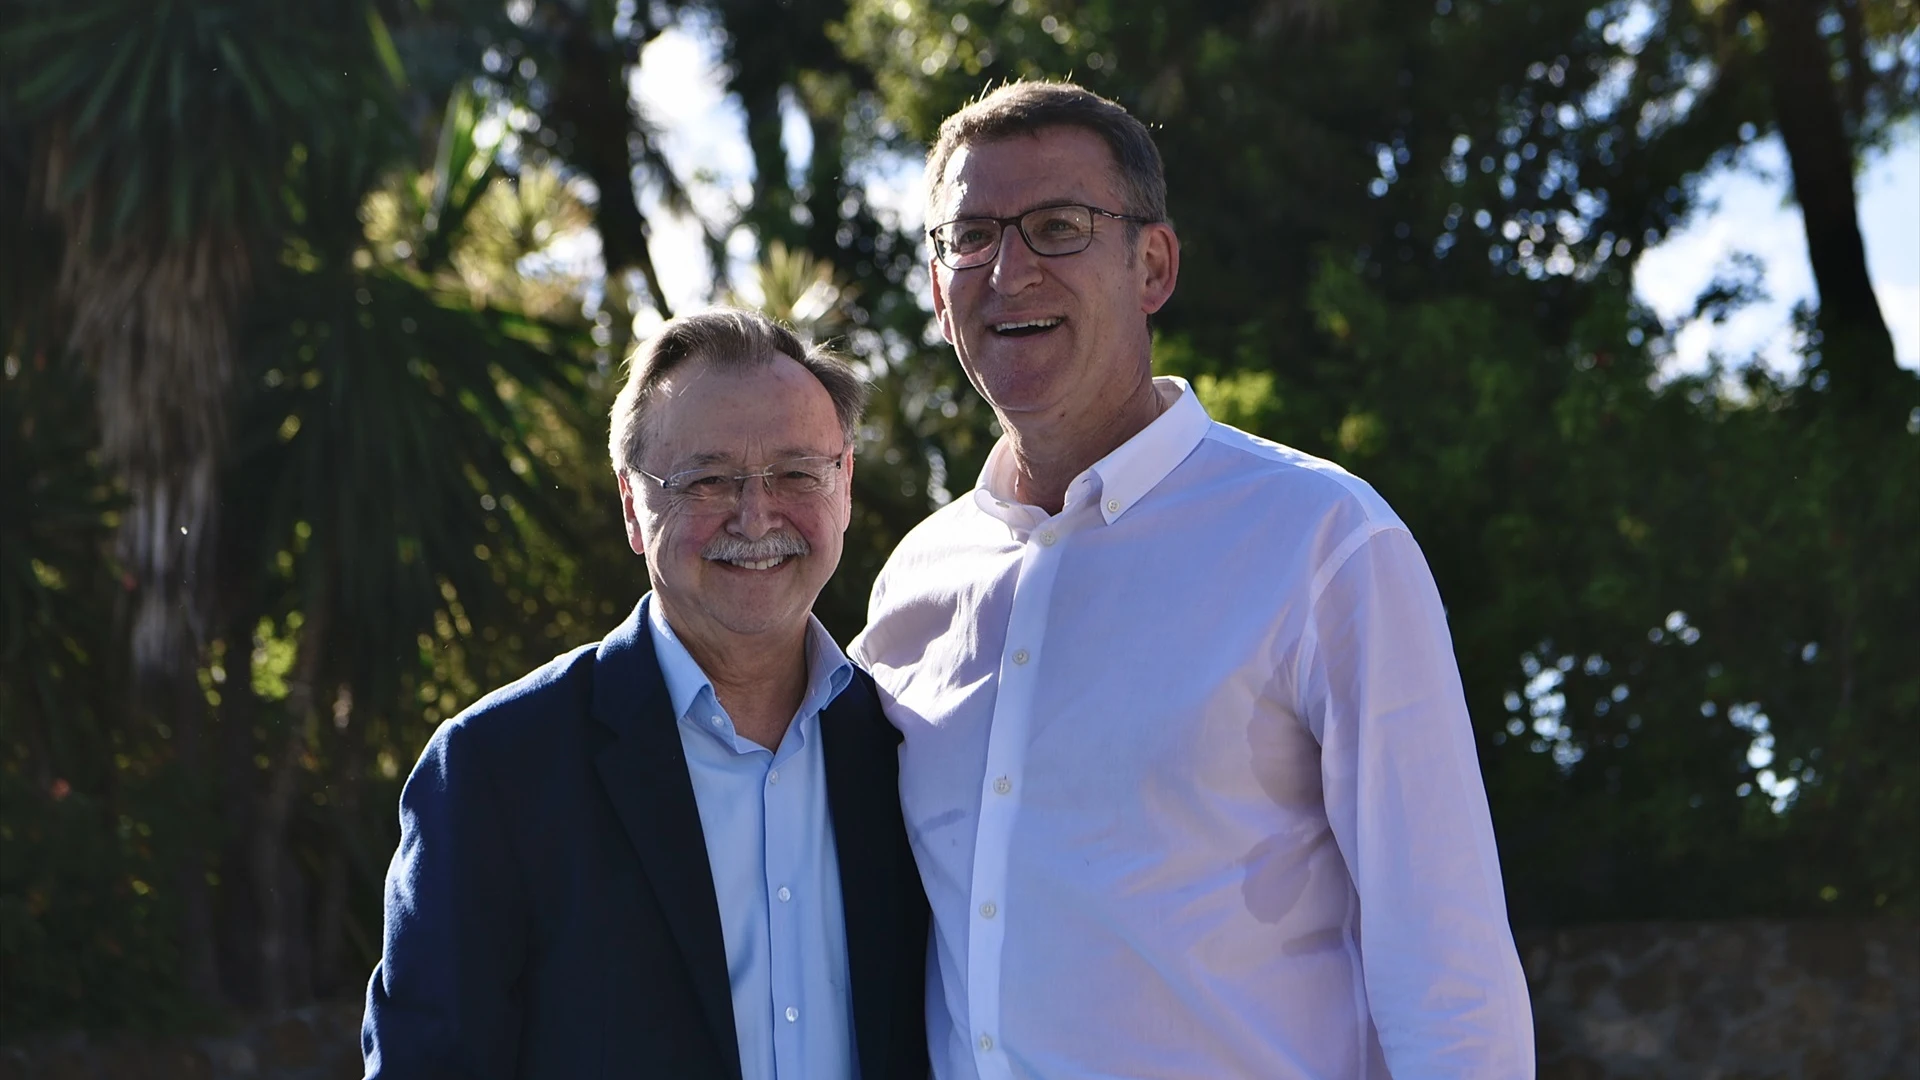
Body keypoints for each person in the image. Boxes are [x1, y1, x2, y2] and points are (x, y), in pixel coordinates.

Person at [852, 81, 1534, 1078]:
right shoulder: (913, 583)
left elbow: (1449, 973)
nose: (1009, 270)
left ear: (1153, 265)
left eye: (1057, 227)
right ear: (935, 283)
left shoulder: (1323, 540)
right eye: (971, 236)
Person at [364, 310, 929, 1079]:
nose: (756, 515)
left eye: (797, 473)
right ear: (633, 504)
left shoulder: (906, 746)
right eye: (708, 479)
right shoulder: (496, 771)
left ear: (845, 484)